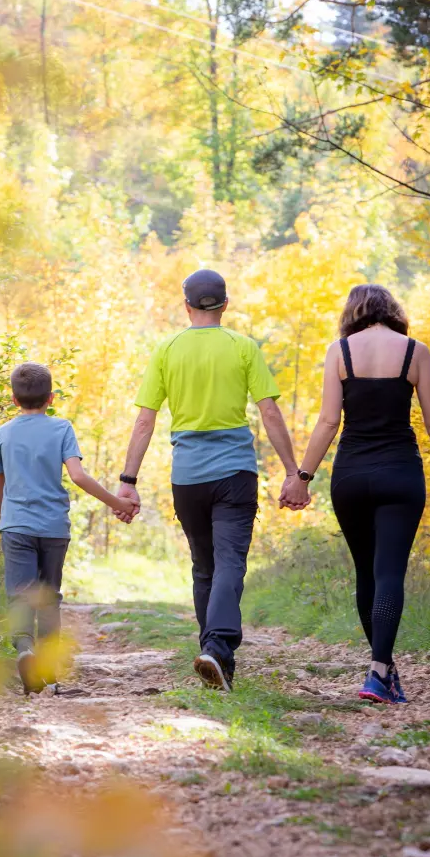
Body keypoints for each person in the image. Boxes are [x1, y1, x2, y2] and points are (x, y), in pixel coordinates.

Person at [114, 270, 305, 692]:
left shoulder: (167, 349)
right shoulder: (242, 347)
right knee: (230, 562)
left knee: (205, 566)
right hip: (235, 473)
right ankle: (217, 649)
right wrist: (293, 471)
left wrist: (128, 479)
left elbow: (145, 420)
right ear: (225, 304)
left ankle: (215, 656)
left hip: (188, 478)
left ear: (186, 305)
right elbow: (269, 412)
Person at [281, 284, 430, 704]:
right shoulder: (415, 351)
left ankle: (383, 670)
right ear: (392, 311)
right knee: (389, 573)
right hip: (400, 474)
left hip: (351, 476)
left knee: (366, 572)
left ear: (352, 313)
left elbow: (328, 422)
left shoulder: (339, 351)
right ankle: (380, 670)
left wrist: (302, 478)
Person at [0, 362, 137, 694]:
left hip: (16, 525)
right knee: (49, 598)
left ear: (14, 399)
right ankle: (49, 674)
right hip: (54, 527)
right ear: (51, 397)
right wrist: (117, 502)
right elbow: (78, 476)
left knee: (20, 595)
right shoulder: (62, 429)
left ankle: (25, 649)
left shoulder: (4, 433)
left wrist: (5, 520)